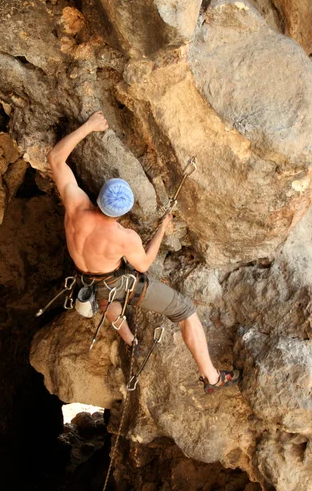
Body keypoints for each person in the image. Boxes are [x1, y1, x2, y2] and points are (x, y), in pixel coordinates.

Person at [47, 111, 241, 394]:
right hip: (113, 282)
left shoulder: (75, 205)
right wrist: (163, 228)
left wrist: (89, 126)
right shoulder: (124, 237)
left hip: (86, 279)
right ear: (124, 212)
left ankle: (131, 341)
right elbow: (144, 264)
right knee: (185, 310)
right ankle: (211, 378)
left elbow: (55, 158)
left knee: (105, 294)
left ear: (99, 195)